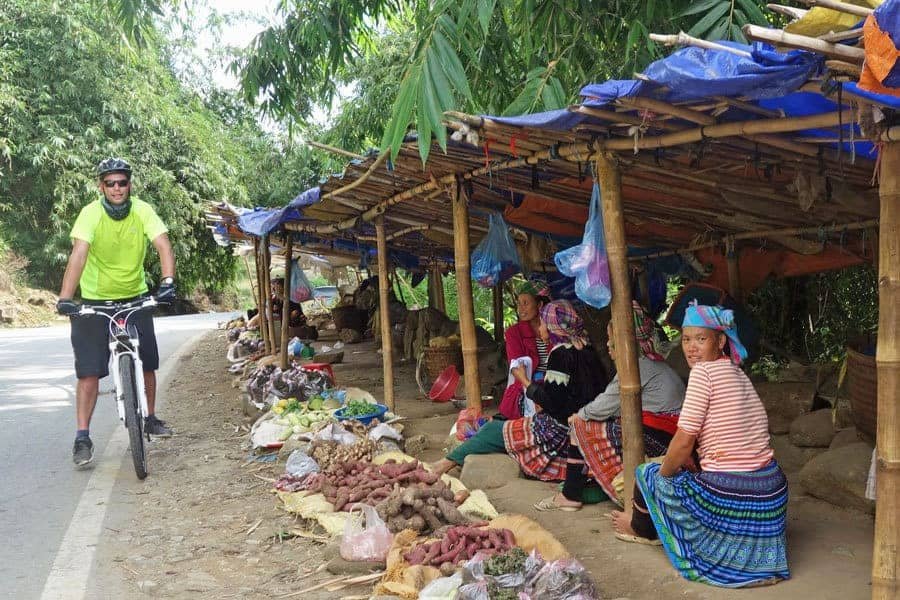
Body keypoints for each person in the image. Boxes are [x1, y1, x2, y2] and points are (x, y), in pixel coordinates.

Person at [610, 302, 789, 588]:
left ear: (720, 341)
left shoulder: (703, 374)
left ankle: (639, 529)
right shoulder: (737, 373)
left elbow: (682, 444)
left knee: (648, 474)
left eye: (701, 339)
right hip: (771, 489)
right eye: (686, 339)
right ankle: (760, 565)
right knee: (686, 470)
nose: (691, 348)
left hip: (733, 490)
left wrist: (661, 480)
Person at [56, 158, 176, 467]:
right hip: (94, 302)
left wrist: (168, 281)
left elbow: (162, 243)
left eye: (122, 182)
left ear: (129, 184)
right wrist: (66, 298)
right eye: (110, 183)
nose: (117, 188)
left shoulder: (142, 210)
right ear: (101, 186)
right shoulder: (90, 214)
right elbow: (79, 253)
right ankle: (82, 436)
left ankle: (149, 417)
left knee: (147, 360)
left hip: (135, 297)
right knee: (89, 373)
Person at [432, 300, 607, 481]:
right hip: (583, 426)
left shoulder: (560, 354)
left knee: (493, 430)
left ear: (553, 326)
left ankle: (442, 465)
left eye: (543, 322)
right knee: (502, 426)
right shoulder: (586, 349)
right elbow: (572, 395)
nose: (540, 327)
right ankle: (445, 464)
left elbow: (553, 404)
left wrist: (524, 380)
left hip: (560, 433)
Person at [534, 302, 686, 511]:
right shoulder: (651, 363)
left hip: (663, 437)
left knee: (580, 428)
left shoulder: (637, 366)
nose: (607, 345)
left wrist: (579, 416)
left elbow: (604, 404)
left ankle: (571, 495)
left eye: (611, 341)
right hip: (669, 433)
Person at [497, 280, 552, 420]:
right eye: (519, 304)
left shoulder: (554, 329)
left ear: (539, 305)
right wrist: (536, 393)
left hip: (553, 386)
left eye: (525, 303)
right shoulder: (514, 333)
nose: (520, 309)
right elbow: (517, 369)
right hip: (526, 388)